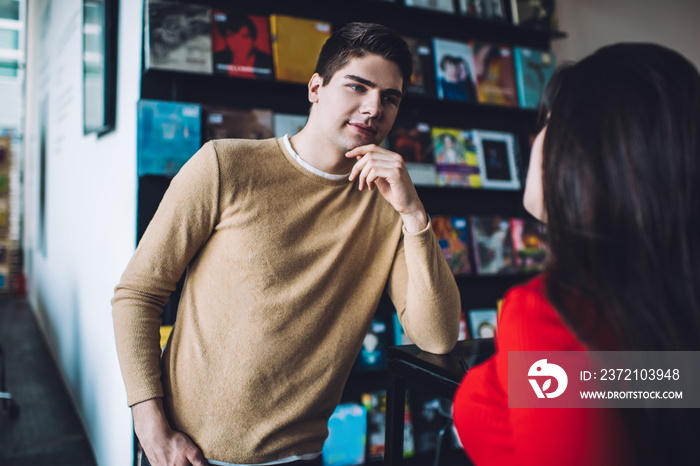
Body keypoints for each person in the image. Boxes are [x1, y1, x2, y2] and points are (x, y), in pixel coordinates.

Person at [113, 22, 461, 466]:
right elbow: (137, 294)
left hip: (301, 457)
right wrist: (151, 428)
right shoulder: (225, 165)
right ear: (316, 88)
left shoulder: (390, 206)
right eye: (358, 86)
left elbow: (437, 338)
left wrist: (414, 215)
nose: (374, 108)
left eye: (390, 97)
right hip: (187, 454)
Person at [453, 43, 700, 466]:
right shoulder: (665, 307)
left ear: (588, 156)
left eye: (548, 123)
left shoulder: (553, 316)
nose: (533, 142)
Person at [212, 14, 272, 79]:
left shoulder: (267, 61)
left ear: (253, 40)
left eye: (244, 36)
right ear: (226, 39)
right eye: (231, 36)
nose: (238, 43)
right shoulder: (216, 59)